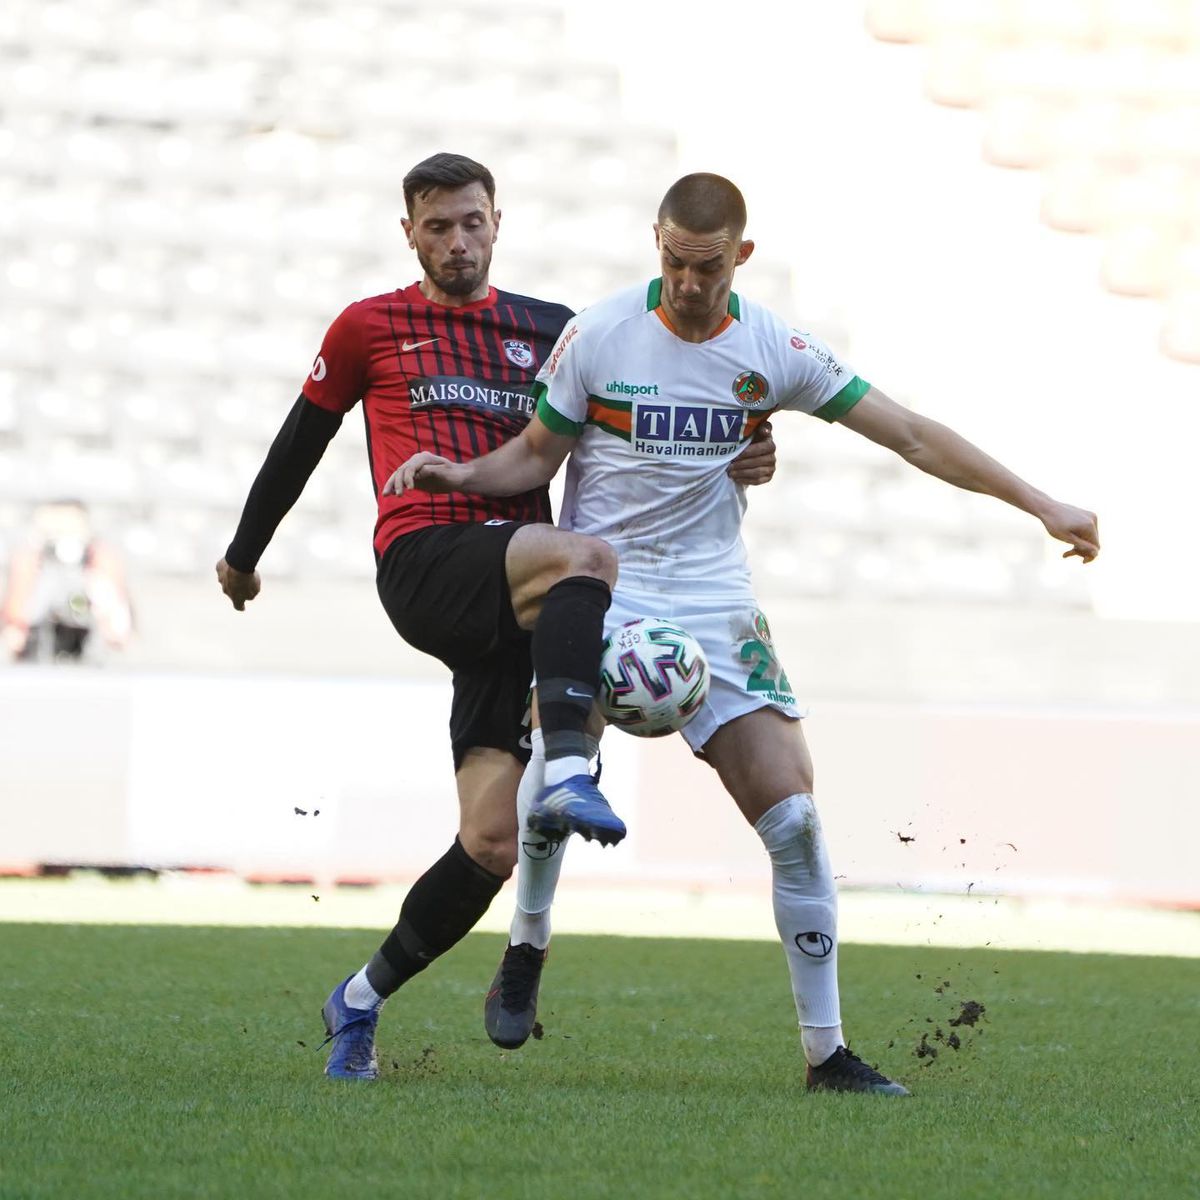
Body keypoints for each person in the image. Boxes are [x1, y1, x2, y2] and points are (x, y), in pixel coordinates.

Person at [387, 172, 1101, 1095]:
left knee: (796, 818)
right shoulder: (600, 334)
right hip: (604, 584)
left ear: (741, 257)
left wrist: (1041, 504)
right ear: (657, 245)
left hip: (717, 602)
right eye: (675, 264)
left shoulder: (774, 348)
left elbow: (913, 436)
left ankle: (826, 1053)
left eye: (708, 268)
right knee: (565, 764)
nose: (688, 285)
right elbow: (535, 453)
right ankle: (527, 943)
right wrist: (459, 477)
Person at [214, 154, 776, 1081]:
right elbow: (299, 442)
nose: (458, 241)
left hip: (522, 603)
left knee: (488, 841)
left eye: (472, 222)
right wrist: (244, 554)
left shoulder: (553, 331)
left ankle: (357, 1000)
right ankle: (566, 766)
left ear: (497, 222)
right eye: (438, 227)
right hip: (430, 562)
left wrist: (750, 448)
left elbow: (665, 404)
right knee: (589, 558)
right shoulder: (370, 326)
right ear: (410, 234)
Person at [2, 498, 133, 663]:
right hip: (37, 656)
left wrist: (101, 600)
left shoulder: (101, 560)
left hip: (92, 658)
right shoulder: (29, 560)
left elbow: (119, 632)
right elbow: (15, 628)